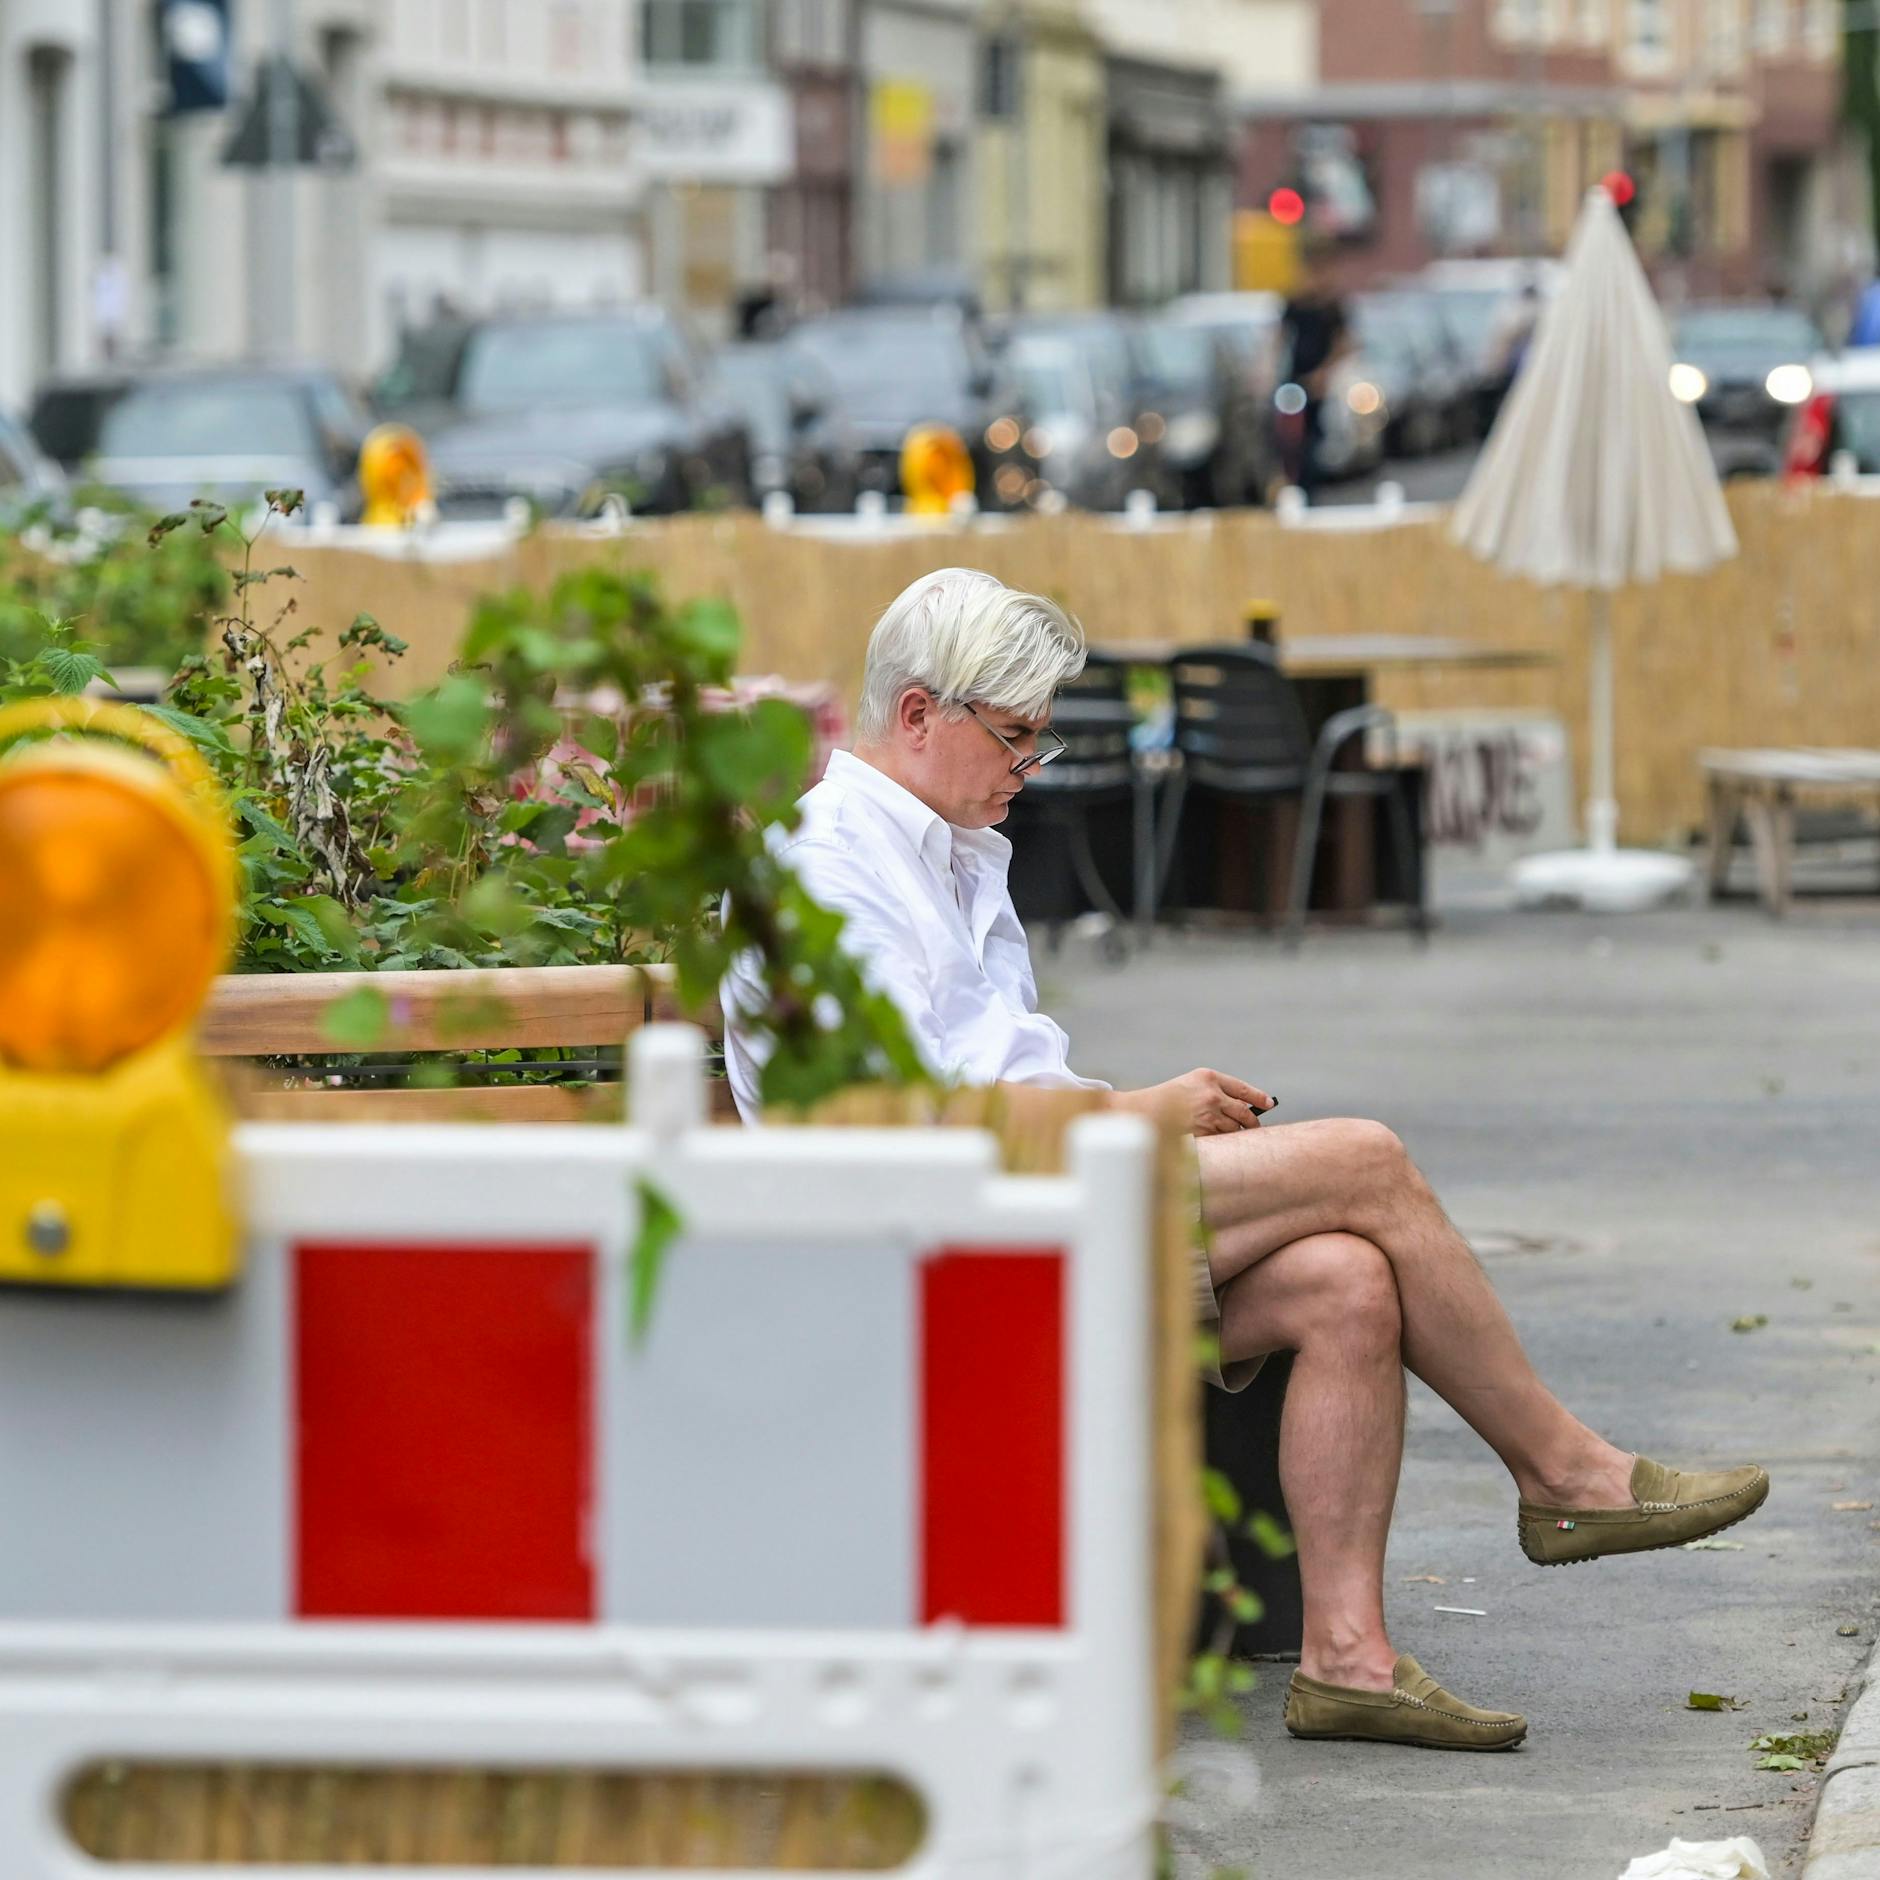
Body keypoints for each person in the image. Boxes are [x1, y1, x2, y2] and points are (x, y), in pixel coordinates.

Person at [722, 569, 1770, 1753]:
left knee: (1344, 1279)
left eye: (1037, 737)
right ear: (917, 715)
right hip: (941, 1244)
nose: (1030, 765)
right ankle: (1567, 1474)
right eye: (1014, 736)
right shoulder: (829, 870)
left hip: (1030, 1216)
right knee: (1363, 1159)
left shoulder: (952, 850)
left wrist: (1129, 1116)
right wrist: (1137, 1111)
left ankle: (1346, 1662)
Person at [1277, 245, 1353, 497]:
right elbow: (1279, 338)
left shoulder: (1331, 306)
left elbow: (1344, 343)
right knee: (1289, 434)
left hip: (1319, 382)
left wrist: (1324, 373)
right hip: (1294, 379)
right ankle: (1290, 481)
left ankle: (1310, 487)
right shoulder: (1295, 302)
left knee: (1314, 436)